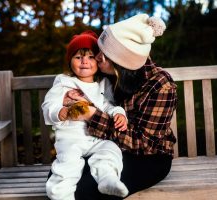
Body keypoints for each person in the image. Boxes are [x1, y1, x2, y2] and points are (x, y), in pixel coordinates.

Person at [65, 14, 178, 200]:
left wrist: (91, 115)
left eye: (105, 55)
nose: (98, 58)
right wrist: (69, 97)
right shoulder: (105, 74)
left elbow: (144, 143)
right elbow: (75, 82)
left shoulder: (161, 86)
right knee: (60, 179)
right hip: (104, 147)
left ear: (122, 64)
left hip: (148, 156)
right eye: (99, 50)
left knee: (85, 190)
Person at [41, 30, 129, 200]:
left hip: (95, 139)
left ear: (98, 61)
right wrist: (61, 112)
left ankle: (107, 179)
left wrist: (119, 113)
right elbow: (48, 105)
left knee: (111, 149)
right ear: (70, 62)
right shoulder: (64, 82)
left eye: (90, 57)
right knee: (67, 166)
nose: (84, 62)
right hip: (70, 139)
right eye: (78, 57)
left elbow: (108, 105)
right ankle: (60, 194)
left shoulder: (103, 84)